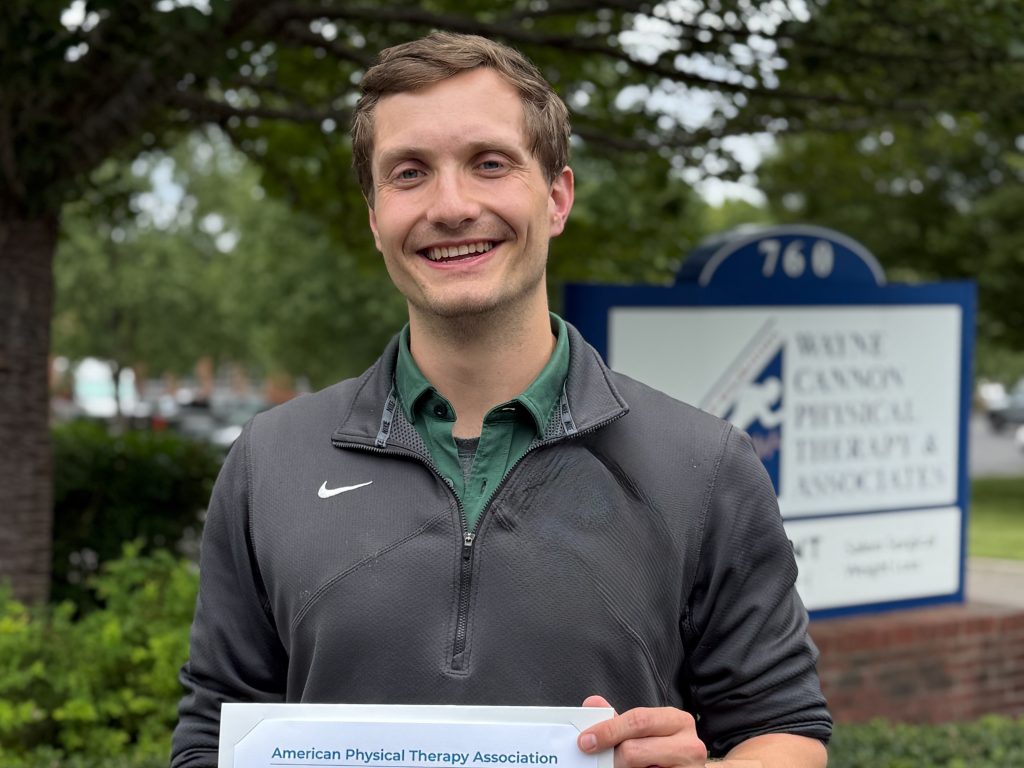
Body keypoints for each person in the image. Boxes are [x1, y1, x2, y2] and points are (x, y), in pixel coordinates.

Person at [170, 31, 832, 768]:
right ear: (374, 218)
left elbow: (784, 729)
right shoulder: (270, 461)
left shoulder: (706, 466)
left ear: (556, 197)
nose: (451, 207)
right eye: (409, 173)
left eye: (489, 164)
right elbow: (212, 735)